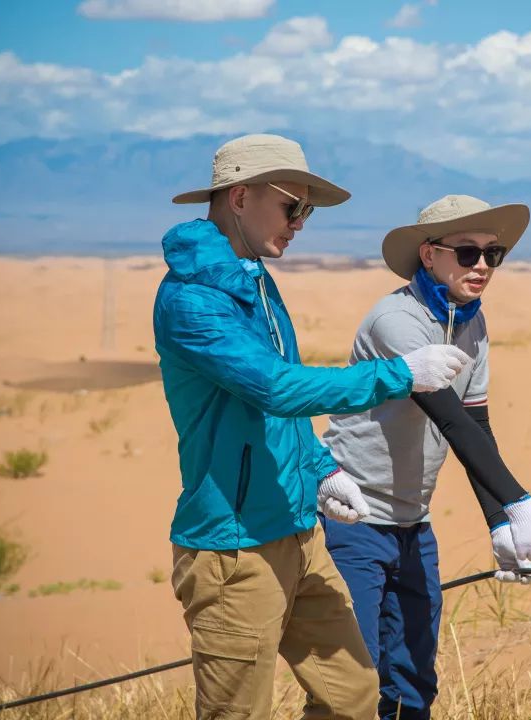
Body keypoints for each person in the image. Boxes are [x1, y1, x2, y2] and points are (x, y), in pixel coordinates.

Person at [153, 134, 471, 720]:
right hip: (235, 550)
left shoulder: (254, 279)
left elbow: (276, 409)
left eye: (309, 210)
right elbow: (276, 386)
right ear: (241, 197)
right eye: (292, 206)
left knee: (350, 696)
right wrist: (399, 374)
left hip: (300, 532)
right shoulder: (192, 302)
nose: (301, 222)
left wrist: (319, 469)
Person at [317, 194, 531, 720]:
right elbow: (450, 420)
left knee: (416, 682)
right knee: (357, 683)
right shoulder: (397, 321)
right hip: (352, 519)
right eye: (467, 253)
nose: (482, 266)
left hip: (414, 524)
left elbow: (477, 422)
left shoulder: (472, 325)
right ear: (429, 254)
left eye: (493, 254)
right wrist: (519, 504)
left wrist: (498, 522)